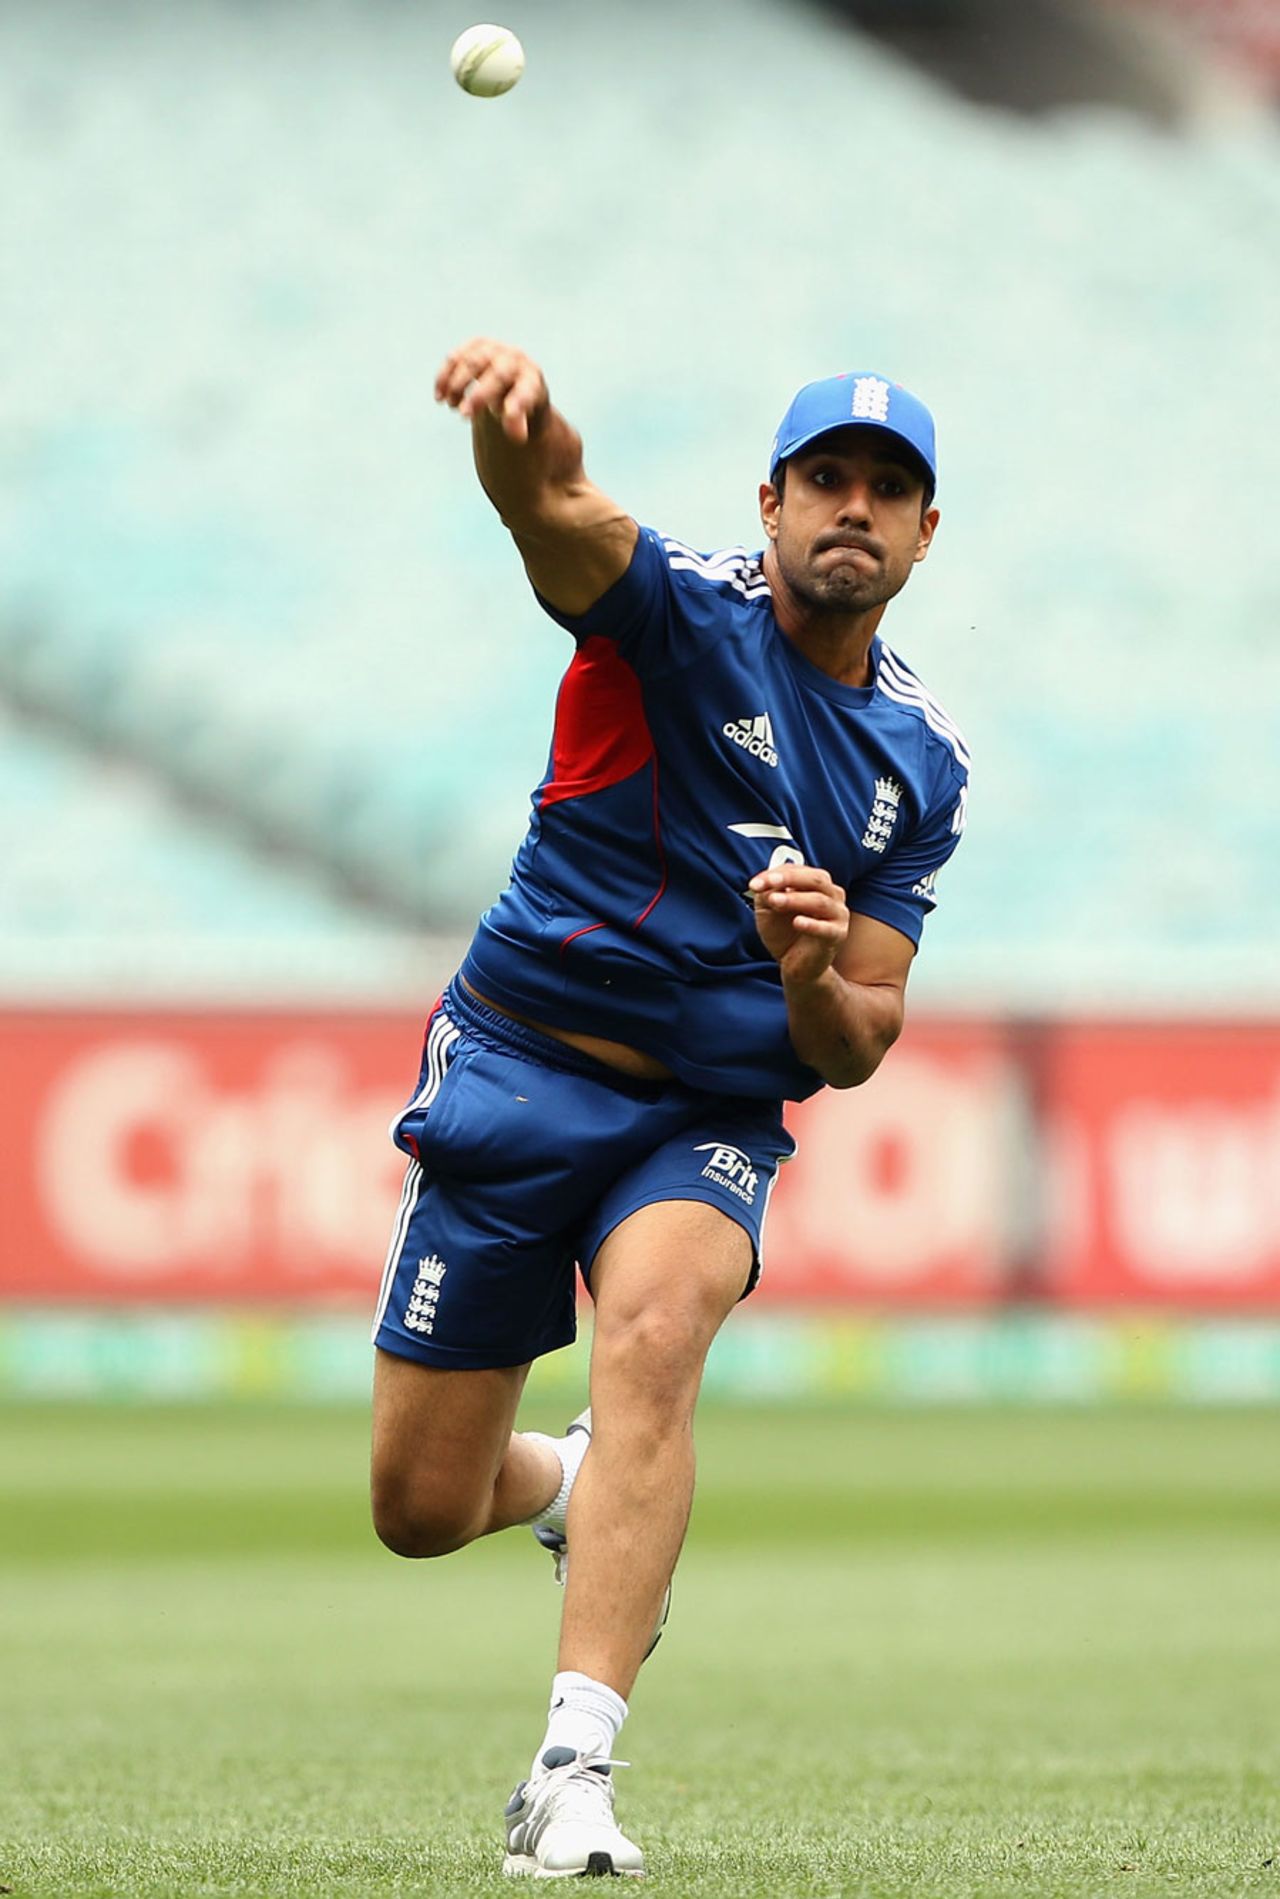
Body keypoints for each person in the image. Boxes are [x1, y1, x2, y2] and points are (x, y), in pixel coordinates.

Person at [369, 339, 969, 1878]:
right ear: (767, 502)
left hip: (705, 1112)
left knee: (658, 1334)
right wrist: (523, 440)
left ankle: (571, 1776)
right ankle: (574, 1486)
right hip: (517, 1064)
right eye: (826, 479)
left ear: (924, 535)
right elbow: (553, 509)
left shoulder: (923, 766)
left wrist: (807, 971)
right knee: (421, 1506)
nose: (855, 508)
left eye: (887, 491)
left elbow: (858, 1042)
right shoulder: (681, 612)